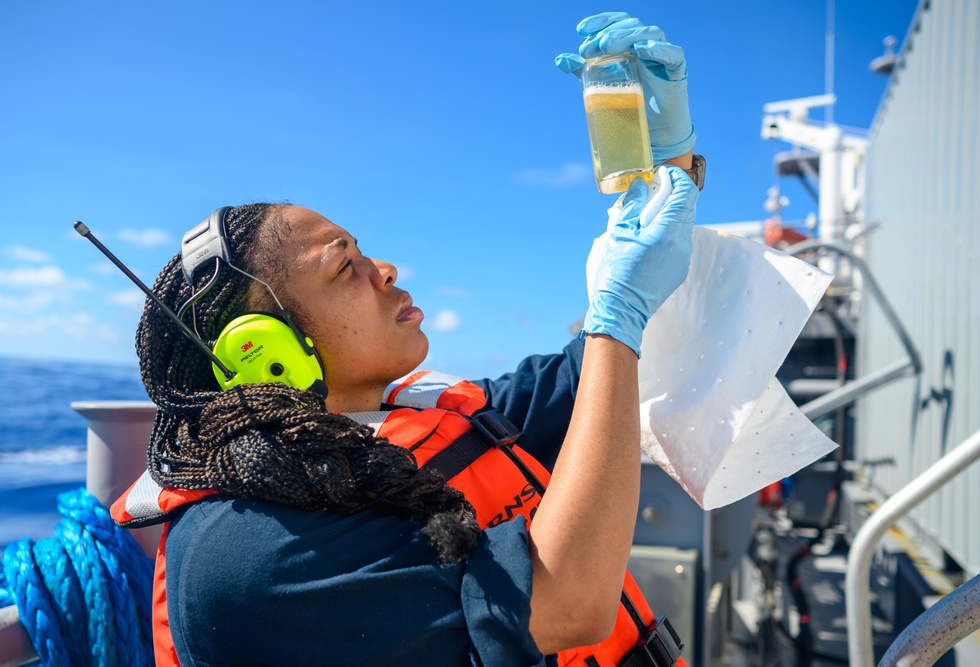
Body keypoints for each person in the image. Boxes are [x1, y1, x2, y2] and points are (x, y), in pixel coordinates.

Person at [111, 11, 700, 667]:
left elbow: (646, 324)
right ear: (262, 350)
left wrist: (667, 154)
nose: (384, 269)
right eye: (344, 266)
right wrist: (615, 310)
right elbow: (569, 601)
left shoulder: (445, 412)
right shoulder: (246, 552)